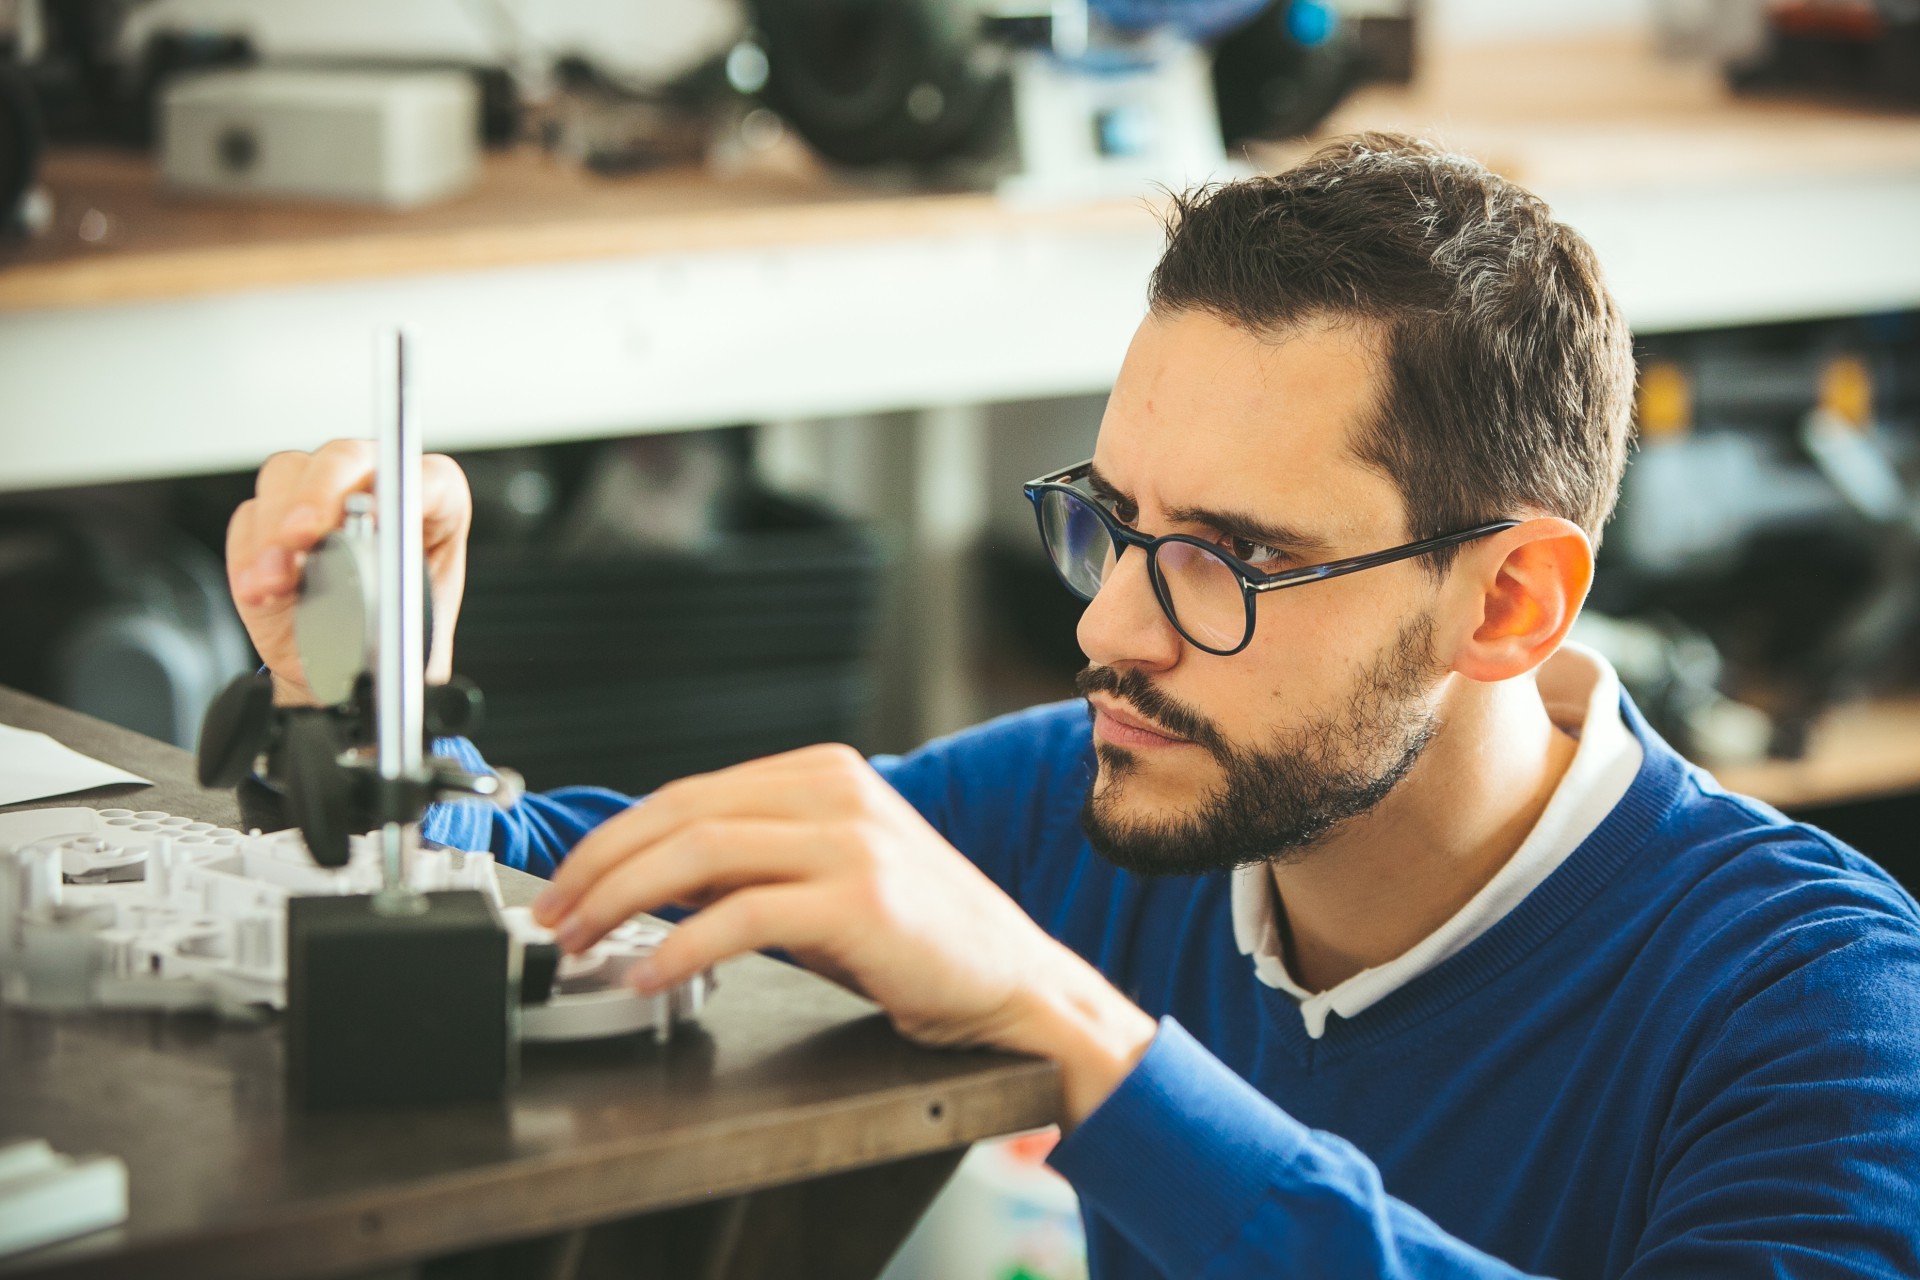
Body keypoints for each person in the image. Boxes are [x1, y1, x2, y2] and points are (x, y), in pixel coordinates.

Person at [226, 133, 1920, 1278]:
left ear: (1508, 602)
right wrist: (381, 700)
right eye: (1113, 520)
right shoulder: (1104, 797)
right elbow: (590, 875)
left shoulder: (1819, 1010)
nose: (1113, 623)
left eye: (1231, 557)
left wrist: (1094, 1052)